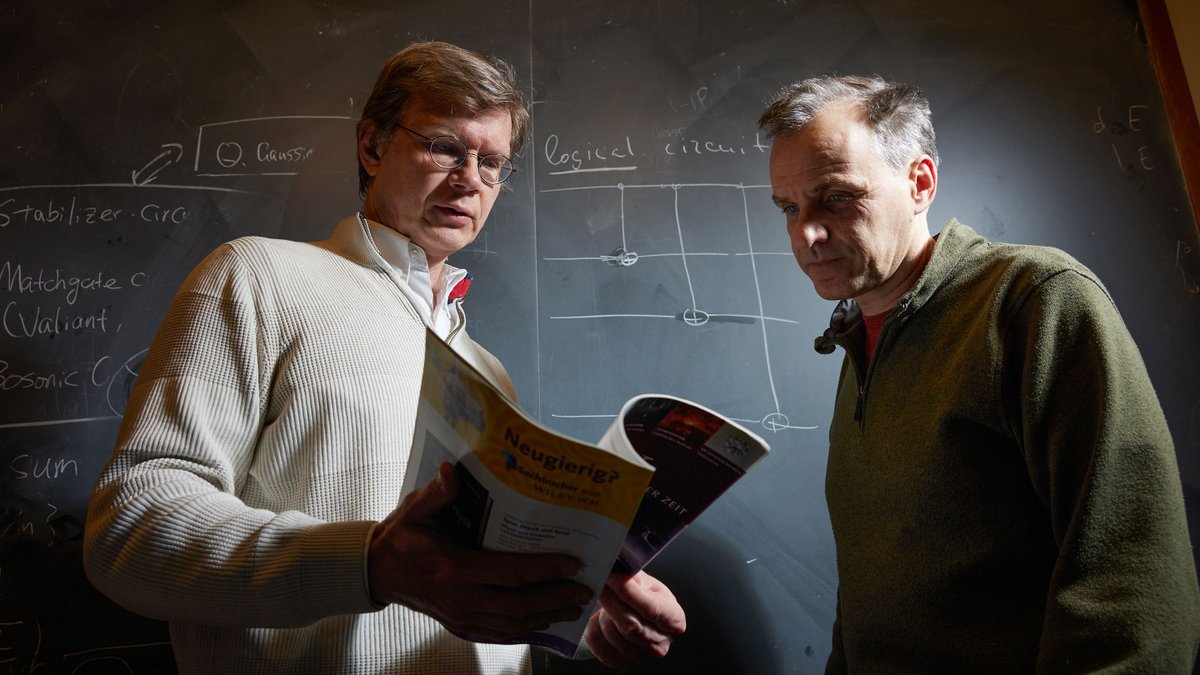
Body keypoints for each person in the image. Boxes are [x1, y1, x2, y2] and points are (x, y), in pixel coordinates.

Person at [84, 41, 685, 674]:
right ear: (372, 146)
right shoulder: (261, 276)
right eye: (445, 147)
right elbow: (131, 528)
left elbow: (467, 579)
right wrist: (367, 565)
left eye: (492, 162)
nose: (469, 180)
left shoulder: (485, 367)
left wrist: (578, 609)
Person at [759, 74, 1200, 672]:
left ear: (920, 183)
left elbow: (1133, 582)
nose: (806, 233)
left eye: (835, 197)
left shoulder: (1033, 301)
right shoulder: (861, 344)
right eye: (790, 207)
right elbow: (871, 604)